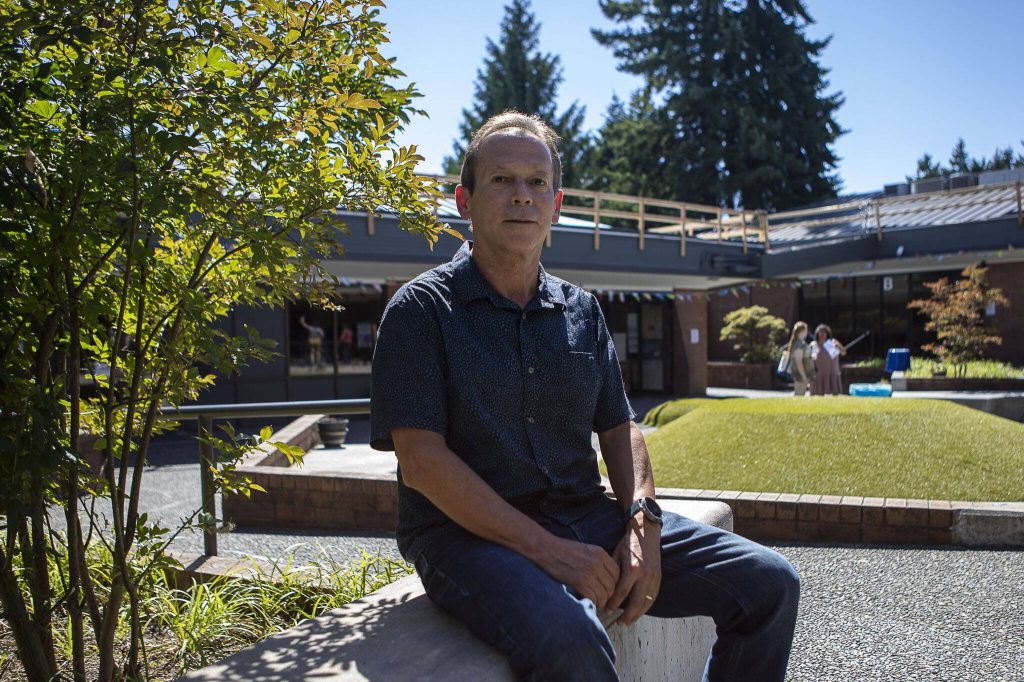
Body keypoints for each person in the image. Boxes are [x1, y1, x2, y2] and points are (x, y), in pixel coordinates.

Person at [370, 111, 799, 681]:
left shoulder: (581, 310)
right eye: (501, 180)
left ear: (557, 202)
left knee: (770, 584)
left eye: (536, 182)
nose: (522, 196)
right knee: (571, 640)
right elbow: (422, 463)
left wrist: (642, 522)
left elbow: (620, 428)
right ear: (464, 201)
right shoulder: (421, 312)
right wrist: (548, 551)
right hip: (463, 539)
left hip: (585, 515)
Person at [810, 323, 846, 396]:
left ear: (827, 333)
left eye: (824, 332)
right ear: (817, 333)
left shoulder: (833, 342)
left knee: (835, 393)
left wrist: (838, 347)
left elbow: (843, 352)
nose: (822, 334)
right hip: (819, 372)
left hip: (832, 371)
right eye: (820, 332)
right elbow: (809, 357)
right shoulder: (814, 344)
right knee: (819, 394)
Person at [786, 321, 814, 396]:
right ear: (801, 331)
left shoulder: (800, 342)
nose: (807, 332)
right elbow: (799, 362)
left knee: (801, 393)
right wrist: (804, 376)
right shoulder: (799, 343)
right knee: (799, 394)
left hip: (801, 372)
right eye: (806, 330)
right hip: (799, 373)